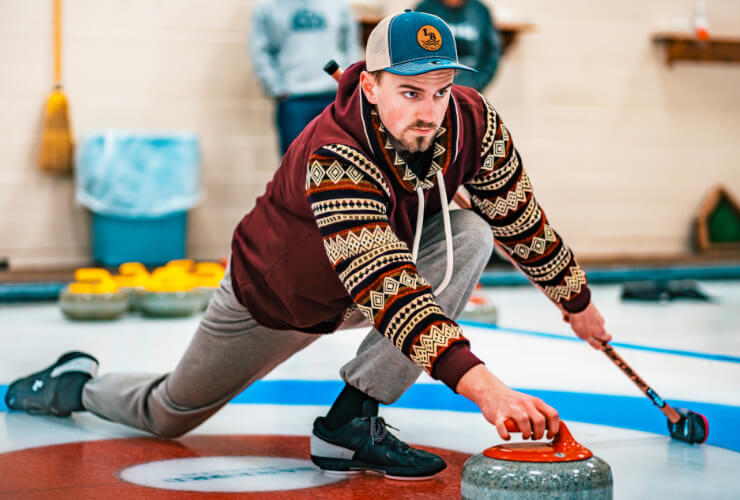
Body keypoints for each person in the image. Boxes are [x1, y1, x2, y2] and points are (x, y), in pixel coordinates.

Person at [5, 11, 611, 481]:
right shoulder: (336, 153)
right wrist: (485, 386)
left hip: (370, 284)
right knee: (169, 413)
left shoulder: (473, 124)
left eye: (441, 91)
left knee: (472, 230)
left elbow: (519, 220)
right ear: (370, 87)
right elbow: (386, 287)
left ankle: (352, 422)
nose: (429, 112)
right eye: (409, 92)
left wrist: (577, 301)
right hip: (273, 300)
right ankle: (72, 384)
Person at [250, 0, 361, 154]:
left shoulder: (339, 5)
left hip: (335, 98)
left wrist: (350, 87)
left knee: (342, 163)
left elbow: (350, 46)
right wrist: (277, 89)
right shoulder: (267, 7)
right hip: (294, 101)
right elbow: (261, 50)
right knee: (296, 166)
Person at [415, 0, 501, 91]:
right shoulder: (425, 9)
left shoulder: (480, 11)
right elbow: (413, 52)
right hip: (432, 90)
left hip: (470, 89)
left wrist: (477, 84)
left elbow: (492, 53)